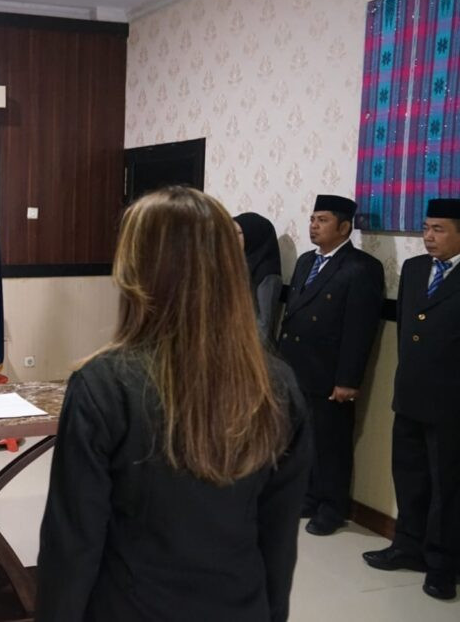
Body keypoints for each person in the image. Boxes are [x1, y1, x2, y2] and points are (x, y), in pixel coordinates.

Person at [37, 186, 311, 622]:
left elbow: (72, 546)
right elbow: (278, 543)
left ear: (136, 273)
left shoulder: (103, 385)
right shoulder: (277, 384)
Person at [362, 198, 460, 601]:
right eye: (425, 228)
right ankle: (407, 545)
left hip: (450, 402)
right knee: (409, 474)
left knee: (447, 487)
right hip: (410, 393)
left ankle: (442, 565)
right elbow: (405, 325)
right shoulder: (416, 268)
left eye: (438, 229)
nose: (428, 237)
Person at [277, 194, 384, 536]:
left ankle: (332, 508)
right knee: (302, 439)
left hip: (329, 372)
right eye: (312, 219)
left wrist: (348, 379)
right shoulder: (307, 261)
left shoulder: (361, 268)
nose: (313, 226)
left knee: (331, 444)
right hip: (297, 366)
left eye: (322, 220)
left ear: (344, 227)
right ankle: (309, 497)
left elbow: (359, 330)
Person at [234, 212, 283, 344]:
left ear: (254, 236)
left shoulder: (267, 273)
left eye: (238, 233)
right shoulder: (239, 265)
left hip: (251, 347)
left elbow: (263, 325)